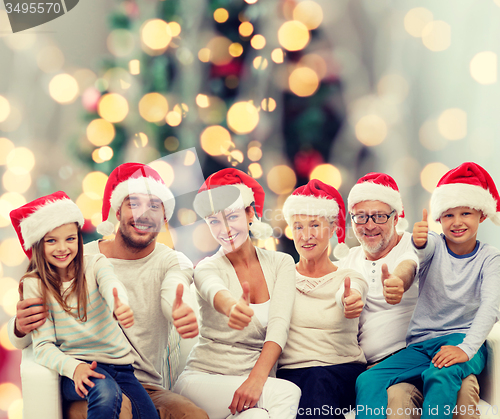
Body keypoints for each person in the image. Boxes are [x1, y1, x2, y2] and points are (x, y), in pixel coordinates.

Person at [8, 163, 208, 419]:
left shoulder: (172, 261)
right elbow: (25, 339)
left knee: (194, 416)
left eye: (154, 206)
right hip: (87, 380)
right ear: (117, 210)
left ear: (165, 216)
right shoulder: (77, 256)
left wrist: (178, 309)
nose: (143, 214)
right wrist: (20, 326)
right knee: (117, 408)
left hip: (143, 385)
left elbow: (174, 287)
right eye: (133, 203)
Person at [355, 162, 500, 419]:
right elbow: (416, 256)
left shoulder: (491, 259)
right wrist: (415, 250)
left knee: (440, 374)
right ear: (439, 219)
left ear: (482, 215)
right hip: (422, 346)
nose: (456, 222)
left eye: (465, 213)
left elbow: (491, 307)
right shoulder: (433, 242)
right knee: (368, 380)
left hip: (463, 341)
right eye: (448, 215)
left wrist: (466, 349)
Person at [9, 191, 158, 419]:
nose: (62, 248)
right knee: (105, 393)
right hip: (77, 367)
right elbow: (43, 346)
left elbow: (111, 284)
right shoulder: (35, 284)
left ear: (78, 238)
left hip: (122, 368)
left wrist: (119, 303)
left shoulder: (95, 263)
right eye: (51, 241)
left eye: (70, 239)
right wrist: (74, 368)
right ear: (38, 244)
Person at [173, 168, 301, 419]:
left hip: (250, 385)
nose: (224, 229)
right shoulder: (207, 267)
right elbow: (214, 290)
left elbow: (279, 327)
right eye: (214, 221)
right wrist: (232, 306)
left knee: (258, 417)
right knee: (287, 393)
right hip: (203, 381)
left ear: (250, 213)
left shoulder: (281, 263)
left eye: (231, 217)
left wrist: (255, 380)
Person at [277, 179, 368, 418]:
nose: (306, 236)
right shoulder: (280, 278)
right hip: (292, 373)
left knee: (318, 382)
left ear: (331, 228)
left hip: (341, 370)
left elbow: (351, 293)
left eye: (314, 225)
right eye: (298, 227)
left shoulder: (348, 277)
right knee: (303, 388)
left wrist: (349, 300)